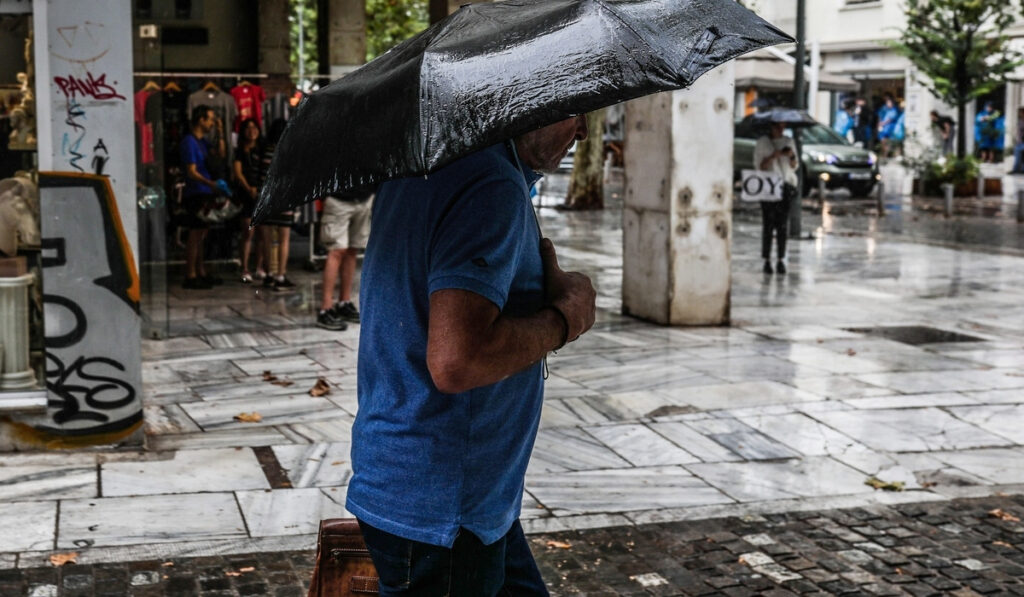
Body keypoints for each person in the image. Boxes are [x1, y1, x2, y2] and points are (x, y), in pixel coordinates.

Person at [346, 116, 597, 596]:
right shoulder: (489, 184)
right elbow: (457, 359)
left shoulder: (427, 167)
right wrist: (564, 319)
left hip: (457, 499)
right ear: (530, 99)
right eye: (576, 109)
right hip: (444, 512)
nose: (583, 130)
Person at [180, 105, 227, 289]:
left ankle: (200, 270)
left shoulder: (203, 142)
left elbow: (221, 154)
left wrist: (221, 133)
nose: (211, 123)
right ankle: (190, 273)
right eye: (209, 119)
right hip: (196, 192)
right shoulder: (189, 142)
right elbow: (191, 171)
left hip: (205, 191)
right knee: (195, 234)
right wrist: (211, 184)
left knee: (202, 234)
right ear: (201, 119)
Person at [315, 186, 373, 330]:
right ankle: (325, 308)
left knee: (352, 250)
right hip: (338, 199)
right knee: (336, 251)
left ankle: (344, 302)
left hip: (363, 198)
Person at [753, 121, 798, 275]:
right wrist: (774, 155)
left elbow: (794, 166)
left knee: (782, 225)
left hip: (785, 186)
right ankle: (766, 260)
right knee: (768, 224)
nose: (781, 129)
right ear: (771, 127)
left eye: (783, 126)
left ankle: (781, 259)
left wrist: (791, 155)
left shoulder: (788, 141)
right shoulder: (762, 143)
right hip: (768, 186)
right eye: (777, 126)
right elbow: (760, 166)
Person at [259, 119, 296, 291]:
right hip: (285, 201)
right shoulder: (290, 152)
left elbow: (262, 179)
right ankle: (280, 275)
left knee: (267, 240)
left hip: (267, 201)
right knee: (284, 240)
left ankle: (268, 274)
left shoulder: (266, 152)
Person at [232, 118, 264, 284]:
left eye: (254, 127)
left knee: (261, 234)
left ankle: (259, 267)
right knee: (248, 232)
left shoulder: (262, 149)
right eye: (248, 128)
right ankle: (244, 267)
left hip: (261, 194)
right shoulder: (240, 151)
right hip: (246, 195)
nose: (252, 131)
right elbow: (238, 173)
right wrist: (248, 187)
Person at [1011, 108, 1024, 174]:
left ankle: (1021, 170)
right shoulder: (1020, 121)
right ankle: (1016, 169)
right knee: (1017, 156)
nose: (1019, 114)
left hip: (1022, 141)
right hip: (1019, 142)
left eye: (1021, 112)